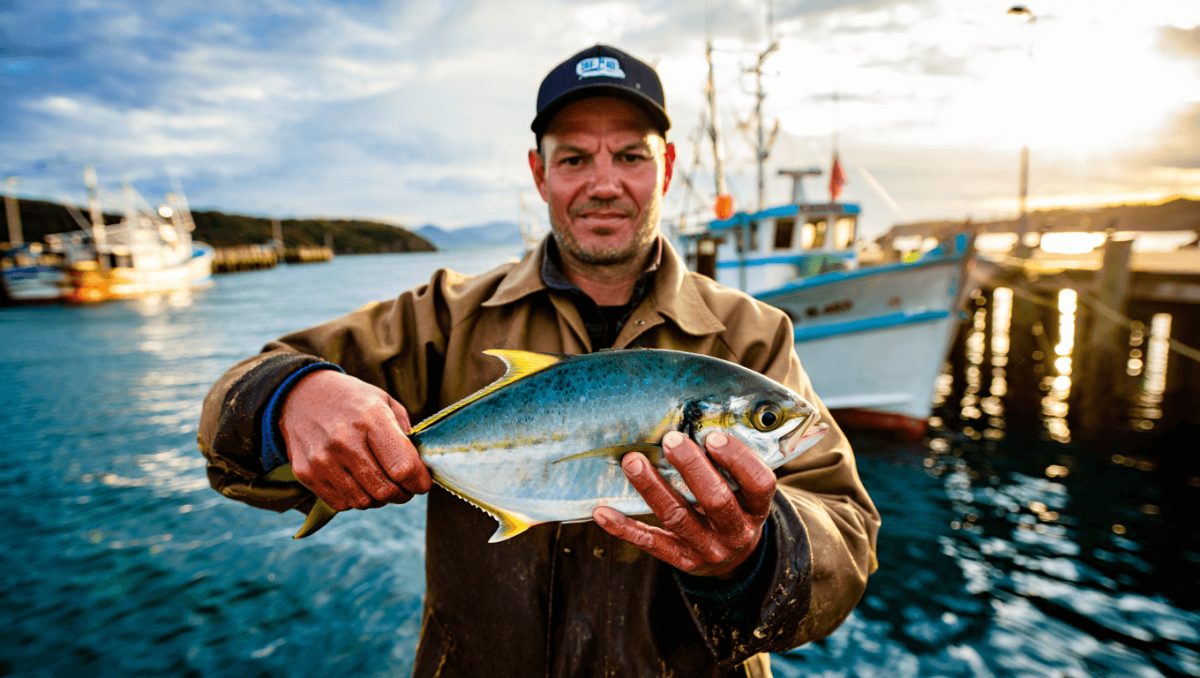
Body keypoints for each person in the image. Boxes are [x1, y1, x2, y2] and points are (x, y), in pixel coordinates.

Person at [198, 44, 879, 677]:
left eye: (631, 157)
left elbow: (846, 536)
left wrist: (754, 557)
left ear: (666, 167)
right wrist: (291, 395)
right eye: (575, 158)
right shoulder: (446, 317)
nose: (605, 184)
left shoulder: (750, 334)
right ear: (539, 173)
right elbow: (234, 427)